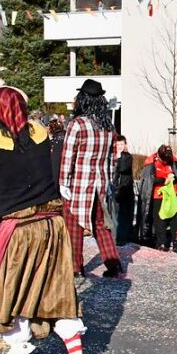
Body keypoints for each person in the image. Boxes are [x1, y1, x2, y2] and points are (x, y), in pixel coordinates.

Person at [0, 86, 89, 354]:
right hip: (53, 226)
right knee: (58, 291)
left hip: (19, 230)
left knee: (11, 295)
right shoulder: (40, 135)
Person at [59, 79, 121, 278]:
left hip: (79, 183)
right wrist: (108, 180)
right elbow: (113, 158)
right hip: (100, 183)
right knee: (101, 224)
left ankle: (76, 267)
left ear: (83, 99)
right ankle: (113, 263)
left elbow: (68, 156)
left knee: (74, 225)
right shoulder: (109, 126)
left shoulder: (77, 124)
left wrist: (63, 181)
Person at [140, 144, 177, 252]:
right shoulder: (151, 163)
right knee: (160, 220)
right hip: (157, 195)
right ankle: (161, 243)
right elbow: (148, 181)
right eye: (164, 160)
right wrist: (162, 180)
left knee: (175, 219)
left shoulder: (174, 163)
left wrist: (173, 180)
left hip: (172, 195)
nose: (165, 162)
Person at [112, 135, 135, 247]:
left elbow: (123, 169)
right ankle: (114, 236)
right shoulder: (111, 157)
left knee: (123, 215)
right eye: (118, 144)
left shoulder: (127, 157)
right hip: (114, 189)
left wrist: (119, 157)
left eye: (122, 144)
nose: (120, 147)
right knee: (114, 214)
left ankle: (122, 238)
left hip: (125, 189)